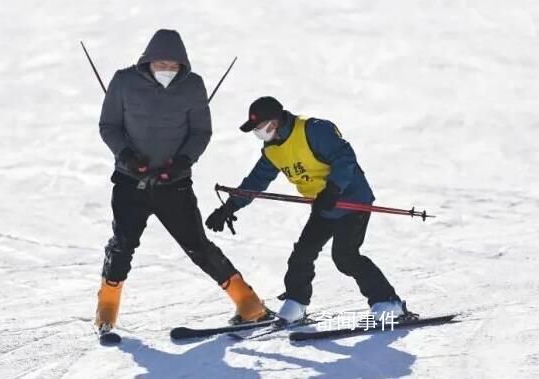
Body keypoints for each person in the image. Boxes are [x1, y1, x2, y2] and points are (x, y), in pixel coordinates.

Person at [95, 29, 270, 335]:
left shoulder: (193, 86)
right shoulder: (123, 81)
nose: (166, 70)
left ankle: (249, 304)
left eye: (174, 66)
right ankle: (106, 311)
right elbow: (109, 126)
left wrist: (182, 163)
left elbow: (200, 132)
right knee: (122, 246)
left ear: (183, 66)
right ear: (147, 61)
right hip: (129, 183)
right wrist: (126, 157)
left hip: (173, 185)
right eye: (161, 64)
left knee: (197, 246)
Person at [205, 96, 407, 323]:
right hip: (323, 206)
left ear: (275, 121)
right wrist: (230, 206)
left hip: (351, 201)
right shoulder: (272, 150)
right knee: (302, 254)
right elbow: (257, 180)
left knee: (345, 256)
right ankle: (296, 303)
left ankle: (389, 303)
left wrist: (333, 189)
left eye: (261, 127)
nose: (259, 133)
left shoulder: (313, 130)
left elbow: (345, 156)